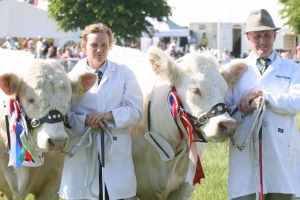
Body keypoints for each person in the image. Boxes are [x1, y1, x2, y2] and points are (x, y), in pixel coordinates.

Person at [59, 23, 143, 200]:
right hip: (83, 147)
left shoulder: (124, 74)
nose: (99, 50)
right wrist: (86, 120)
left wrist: (108, 115)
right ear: (83, 46)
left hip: (114, 149)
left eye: (104, 45)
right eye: (94, 45)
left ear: (110, 46)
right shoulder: (69, 78)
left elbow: (136, 111)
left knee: (114, 194)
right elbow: (65, 117)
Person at [226, 9, 300, 200]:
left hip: (280, 152)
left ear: (275, 36)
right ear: (248, 38)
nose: (262, 42)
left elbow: (295, 102)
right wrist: (244, 109)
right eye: (257, 36)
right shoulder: (236, 70)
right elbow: (226, 112)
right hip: (245, 152)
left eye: (267, 35)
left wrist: (264, 96)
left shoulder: (292, 69)